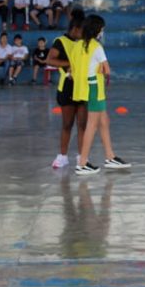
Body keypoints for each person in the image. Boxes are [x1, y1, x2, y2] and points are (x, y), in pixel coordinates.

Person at [72, 15, 131, 174]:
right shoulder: (96, 47)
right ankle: (82, 163)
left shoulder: (78, 45)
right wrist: (100, 70)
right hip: (95, 87)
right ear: (97, 30)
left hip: (85, 87)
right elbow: (107, 70)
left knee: (104, 120)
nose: (102, 32)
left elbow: (74, 68)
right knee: (92, 125)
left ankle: (110, 156)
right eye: (102, 29)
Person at [46, 11, 87, 169]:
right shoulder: (61, 41)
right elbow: (50, 60)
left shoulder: (84, 43)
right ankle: (62, 156)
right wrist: (69, 64)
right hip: (67, 87)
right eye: (82, 30)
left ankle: (81, 157)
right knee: (67, 124)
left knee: (82, 124)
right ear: (75, 29)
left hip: (82, 86)